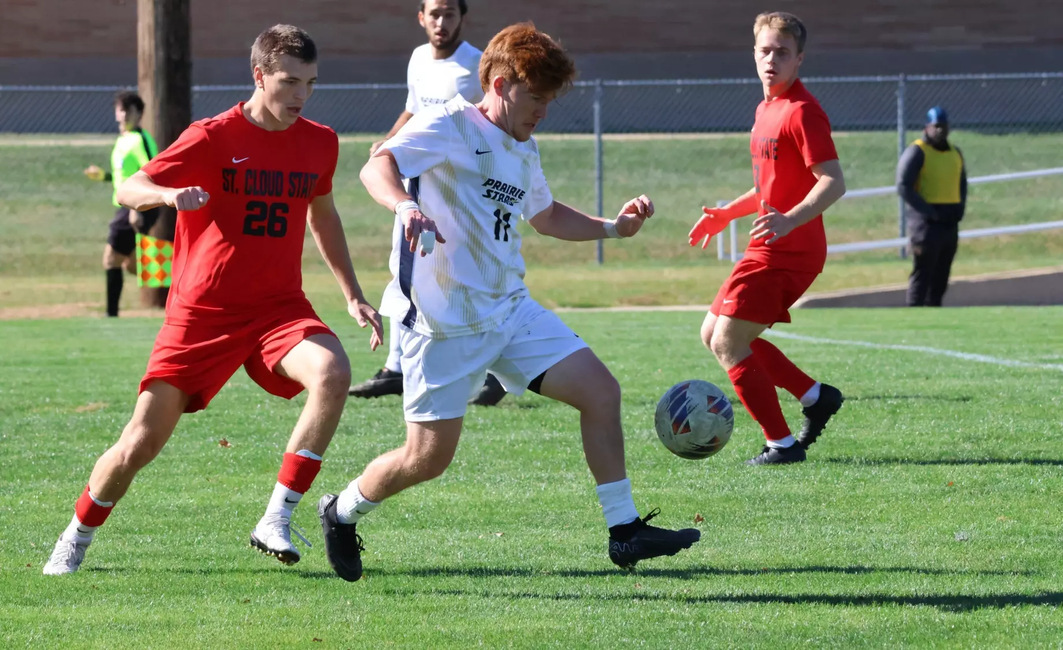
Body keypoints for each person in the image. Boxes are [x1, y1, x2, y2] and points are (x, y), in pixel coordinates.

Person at [318, 22, 700, 582]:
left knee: (601, 392)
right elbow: (375, 165)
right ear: (499, 84)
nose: (543, 110)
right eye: (536, 97)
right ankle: (342, 510)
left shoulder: (523, 147)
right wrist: (403, 206)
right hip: (442, 325)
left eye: (549, 99)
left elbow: (544, 216)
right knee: (426, 459)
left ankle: (625, 532)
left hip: (509, 310)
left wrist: (614, 229)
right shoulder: (447, 123)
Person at [43, 25, 384, 576]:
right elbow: (131, 186)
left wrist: (353, 294)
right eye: (289, 81)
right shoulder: (211, 137)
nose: (300, 95)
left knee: (333, 372)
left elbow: (322, 215)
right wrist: (168, 194)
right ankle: (77, 532)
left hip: (278, 307)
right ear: (259, 76)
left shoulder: (320, 140)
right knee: (139, 444)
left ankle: (276, 516)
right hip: (202, 315)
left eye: (311, 84)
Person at [688, 12, 847, 465]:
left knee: (727, 342)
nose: (771, 59)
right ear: (753, 54)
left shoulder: (803, 111)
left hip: (792, 250)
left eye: (782, 52)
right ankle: (814, 396)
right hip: (768, 244)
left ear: (799, 58)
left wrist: (791, 220)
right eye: (764, 51)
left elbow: (832, 181)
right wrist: (726, 214)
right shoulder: (765, 110)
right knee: (711, 334)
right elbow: (769, 187)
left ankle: (781, 443)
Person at [352, 0, 507, 407]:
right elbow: (413, 109)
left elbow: (494, 120)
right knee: (406, 270)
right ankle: (396, 369)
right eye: (434, 13)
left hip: (460, 190)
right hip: (416, 182)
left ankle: (494, 373)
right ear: (421, 18)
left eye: (449, 13)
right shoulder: (419, 58)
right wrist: (388, 142)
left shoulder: (477, 64)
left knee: (472, 271)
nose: (441, 22)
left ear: (462, 17)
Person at [83, 91, 160, 317]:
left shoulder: (140, 139)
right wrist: (104, 177)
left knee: (111, 258)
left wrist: (137, 209)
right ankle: (183, 277)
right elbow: (125, 177)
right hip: (124, 206)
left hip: (134, 207)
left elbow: (153, 171)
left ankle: (111, 315)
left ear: (140, 114)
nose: (124, 114)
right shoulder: (122, 141)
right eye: (121, 109)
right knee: (132, 265)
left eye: (130, 110)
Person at [897, 106, 967, 307]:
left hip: (950, 220)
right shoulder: (917, 151)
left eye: (943, 126)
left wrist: (960, 207)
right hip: (926, 224)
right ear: (927, 127)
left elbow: (962, 182)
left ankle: (935, 310)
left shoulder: (955, 153)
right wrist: (928, 211)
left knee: (942, 273)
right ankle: (915, 311)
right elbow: (903, 186)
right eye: (936, 126)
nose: (940, 131)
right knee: (923, 272)